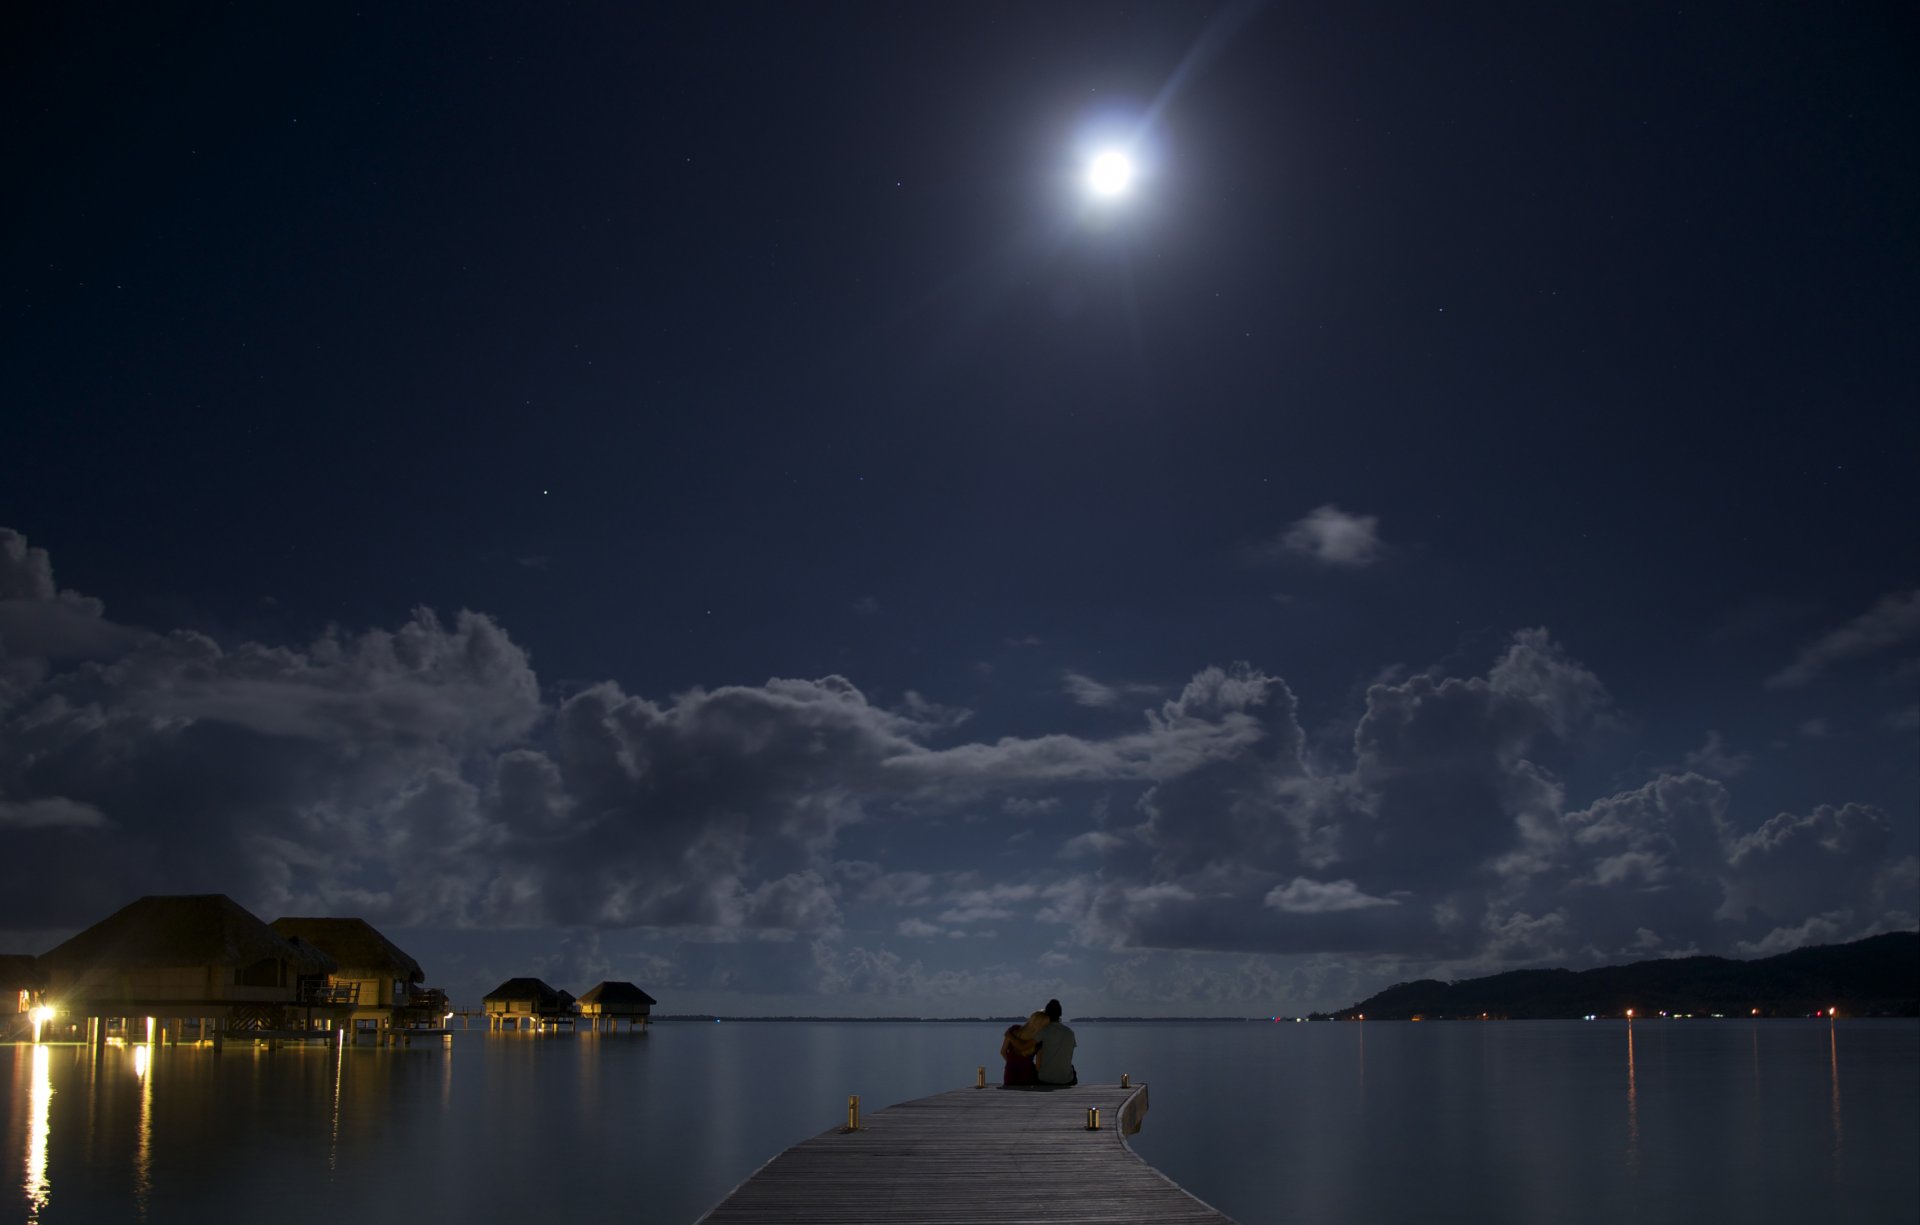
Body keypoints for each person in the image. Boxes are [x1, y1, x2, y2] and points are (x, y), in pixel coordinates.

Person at [1033, 998, 1077, 1086]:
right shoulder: (1070, 1032)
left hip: (1045, 1079)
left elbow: (1032, 1048)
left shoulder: (1043, 1031)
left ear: (1047, 1015)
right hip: (1066, 1079)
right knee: (1072, 1068)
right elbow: (1070, 1056)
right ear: (1060, 1014)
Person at [999, 1010, 1049, 1086]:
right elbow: (1038, 1067)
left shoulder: (1013, 1030)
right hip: (1027, 1076)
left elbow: (1002, 1052)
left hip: (1010, 1075)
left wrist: (1012, 1062)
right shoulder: (1039, 1041)